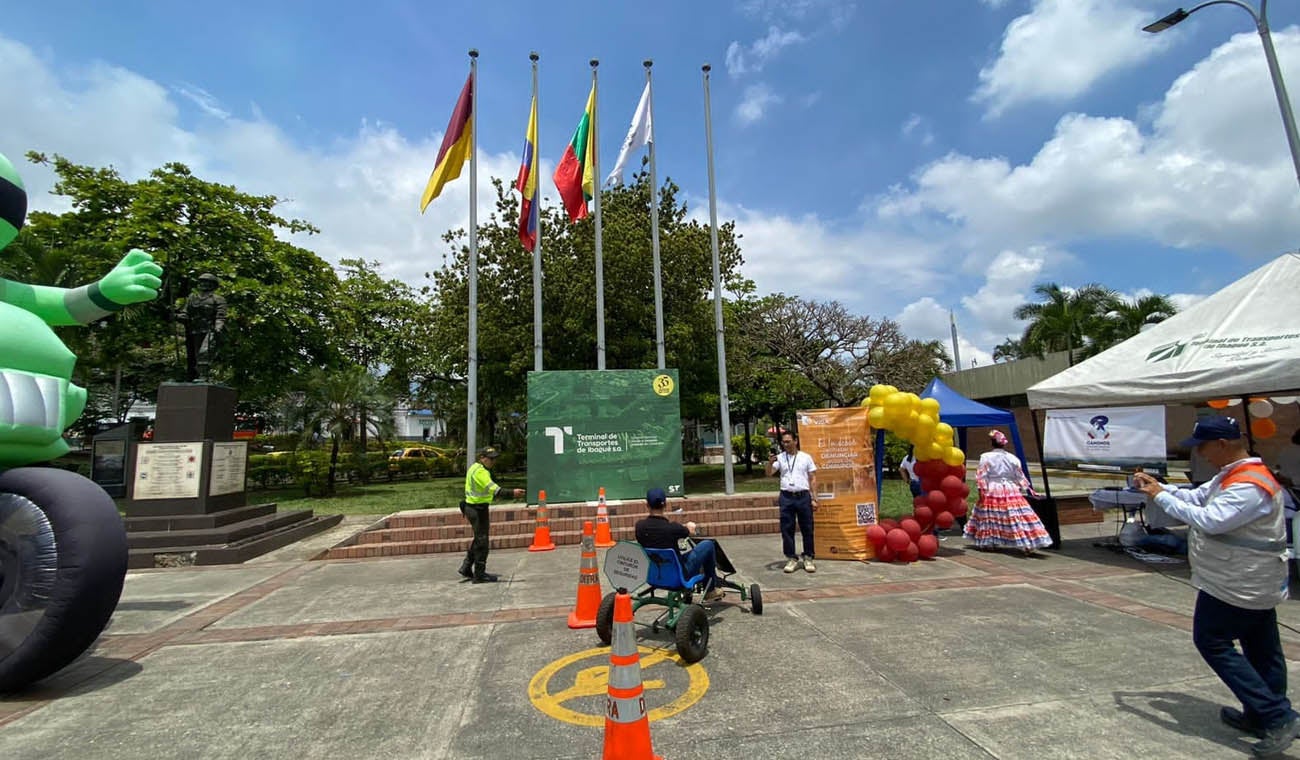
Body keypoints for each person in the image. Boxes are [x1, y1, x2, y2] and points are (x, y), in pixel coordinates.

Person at [1133, 416, 1299, 756]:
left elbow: (1212, 520)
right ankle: (1260, 713)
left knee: (1212, 640)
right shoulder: (1234, 474)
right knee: (1261, 647)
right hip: (1243, 579)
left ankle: (1277, 715)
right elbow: (1198, 497)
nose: (1202, 454)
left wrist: (1161, 498)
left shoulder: (1249, 484)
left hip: (1239, 581)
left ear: (1222, 444)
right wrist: (1162, 488)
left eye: (1204, 446)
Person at [965, 429, 1052, 556]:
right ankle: (1027, 542)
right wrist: (1024, 488)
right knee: (1017, 515)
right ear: (1004, 444)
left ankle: (990, 542)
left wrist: (981, 491)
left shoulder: (986, 457)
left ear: (992, 443)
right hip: (1011, 489)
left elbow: (982, 476)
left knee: (991, 516)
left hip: (993, 488)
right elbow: (1020, 476)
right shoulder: (1013, 458)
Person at [634, 488, 724, 602]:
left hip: (653, 575)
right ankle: (710, 589)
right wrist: (690, 526)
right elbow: (690, 531)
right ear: (665, 504)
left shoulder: (639, 527)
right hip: (678, 577)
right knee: (708, 544)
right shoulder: (673, 528)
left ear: (647, 505)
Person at [458, 446, 524, 584]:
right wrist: (513, 493)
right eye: (490, 458)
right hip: (476, 509)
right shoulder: (480, 472)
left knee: (478, 539)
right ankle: (479, 575)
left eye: (494, 458)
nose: (493, 461)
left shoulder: (475, 468)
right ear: (482, 458)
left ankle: (466, 567)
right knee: (482, 542)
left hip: (474, 507)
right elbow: (495, 490)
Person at [766, 431, 818, 573]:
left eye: (788, 441)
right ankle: (791, 558)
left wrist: (814, 498)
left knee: (807, 528)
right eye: (784, 442)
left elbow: (812, 478)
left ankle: (808, 557)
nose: (786, 444)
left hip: (803, 496)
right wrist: (770, 463)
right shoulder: (780, 458)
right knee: (786, 528)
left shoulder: (805, 457)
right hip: (786, 496)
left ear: (795, 441)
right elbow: (769, 473)